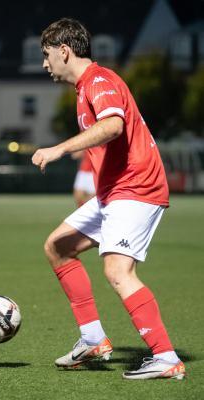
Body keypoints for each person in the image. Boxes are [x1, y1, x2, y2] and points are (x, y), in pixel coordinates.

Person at [32, 18, 185, 380]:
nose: (44, 63)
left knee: (118, 271)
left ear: (64, 51)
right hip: (115, 191)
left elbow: (113, 126)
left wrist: (58, 149)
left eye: (46, 55)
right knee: (57, 246)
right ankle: (93, 339)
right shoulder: (86, 87)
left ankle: (165, 357)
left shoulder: (99, 81)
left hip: (137, 187)